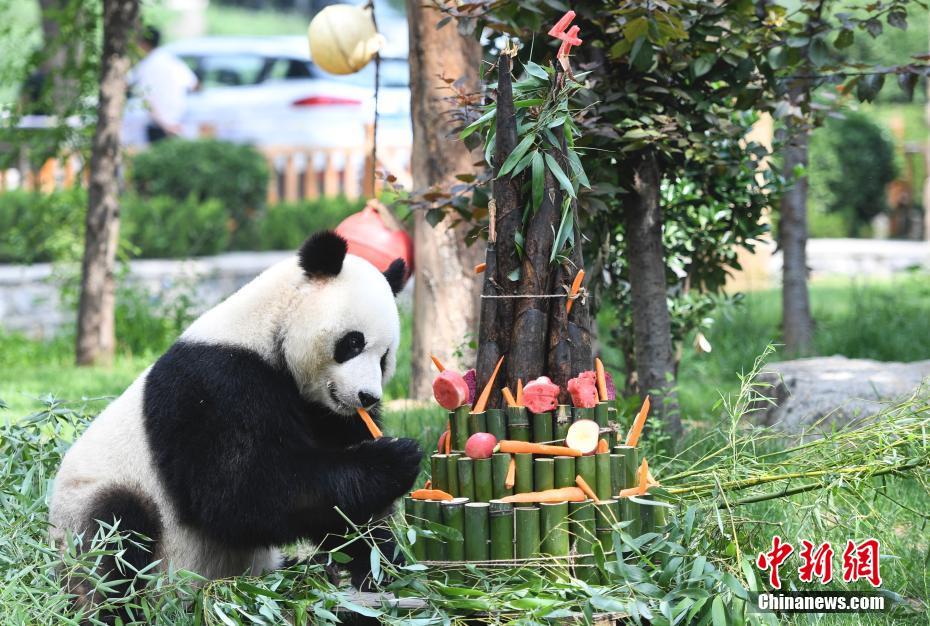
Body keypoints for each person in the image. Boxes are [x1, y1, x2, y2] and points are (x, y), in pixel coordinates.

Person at [129, 26, 198, 143]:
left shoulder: (145, 67)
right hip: (178, 122)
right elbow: (194, 84)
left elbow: (147, 100)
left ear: (144, 43)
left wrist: (166, 125)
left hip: (160, 125)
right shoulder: (171, 60)